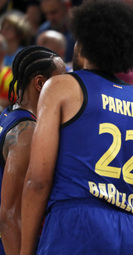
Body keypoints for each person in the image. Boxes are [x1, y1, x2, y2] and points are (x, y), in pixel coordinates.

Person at [20, 1, 133, 254]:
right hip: (128, 230)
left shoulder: (62, 86)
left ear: (82, 44)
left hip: (74, 222)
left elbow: (38, 180)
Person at [0, 45, 66, 255]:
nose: (67, 86)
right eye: (61, 80)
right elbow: (10, 213)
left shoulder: (9, 113)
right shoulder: (27, 132)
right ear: (40, 83)